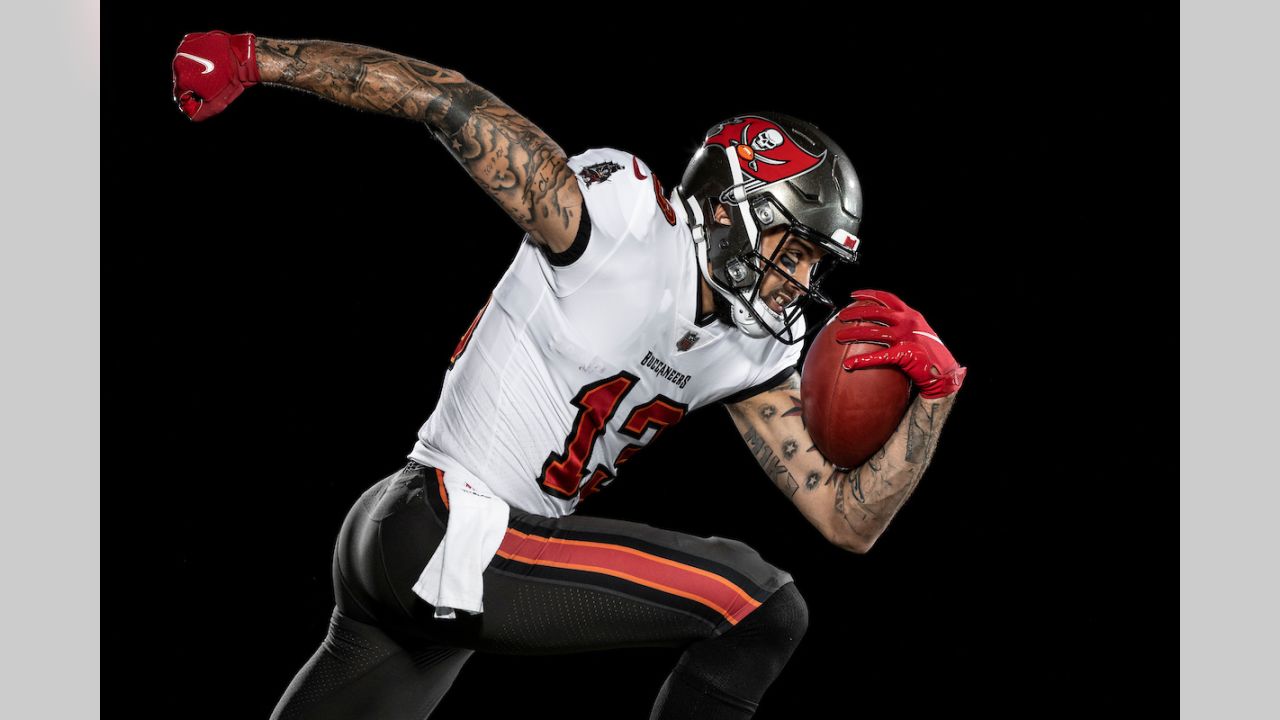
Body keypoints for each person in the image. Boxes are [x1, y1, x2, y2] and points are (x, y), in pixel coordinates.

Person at [172, 30, 966, 720]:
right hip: (450, 525)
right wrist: (255, 58)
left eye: (812, 265)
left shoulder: (746, 350)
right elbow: (442, 99)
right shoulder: (622, 225)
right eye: (792, 251)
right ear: (729, 209)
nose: (796, 282)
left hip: (425, 552)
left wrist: (936, 396)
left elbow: (847, 520)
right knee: (761, 606)